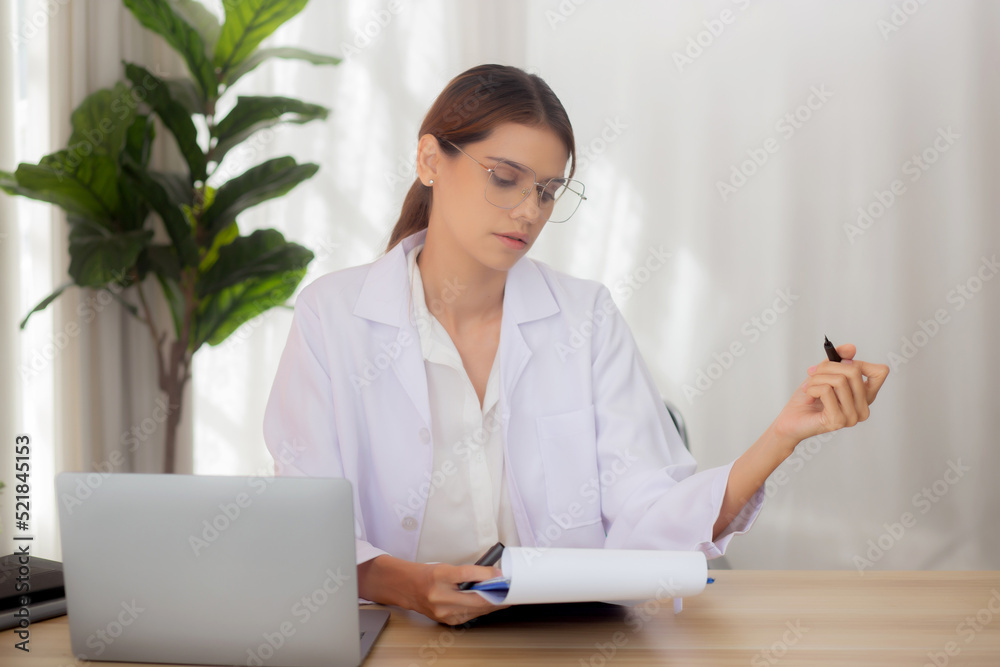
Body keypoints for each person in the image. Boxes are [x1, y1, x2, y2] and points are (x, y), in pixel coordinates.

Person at [262, 64, 890, 626]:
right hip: (393, 635)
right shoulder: (334, 316)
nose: (529, 212)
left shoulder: (584, 316)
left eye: (546, 190)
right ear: (430, 160)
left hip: (559, 639)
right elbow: (310, 531)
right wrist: (414, 586)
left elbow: (647, 518)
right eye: (505, 179)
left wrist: (783, 433)